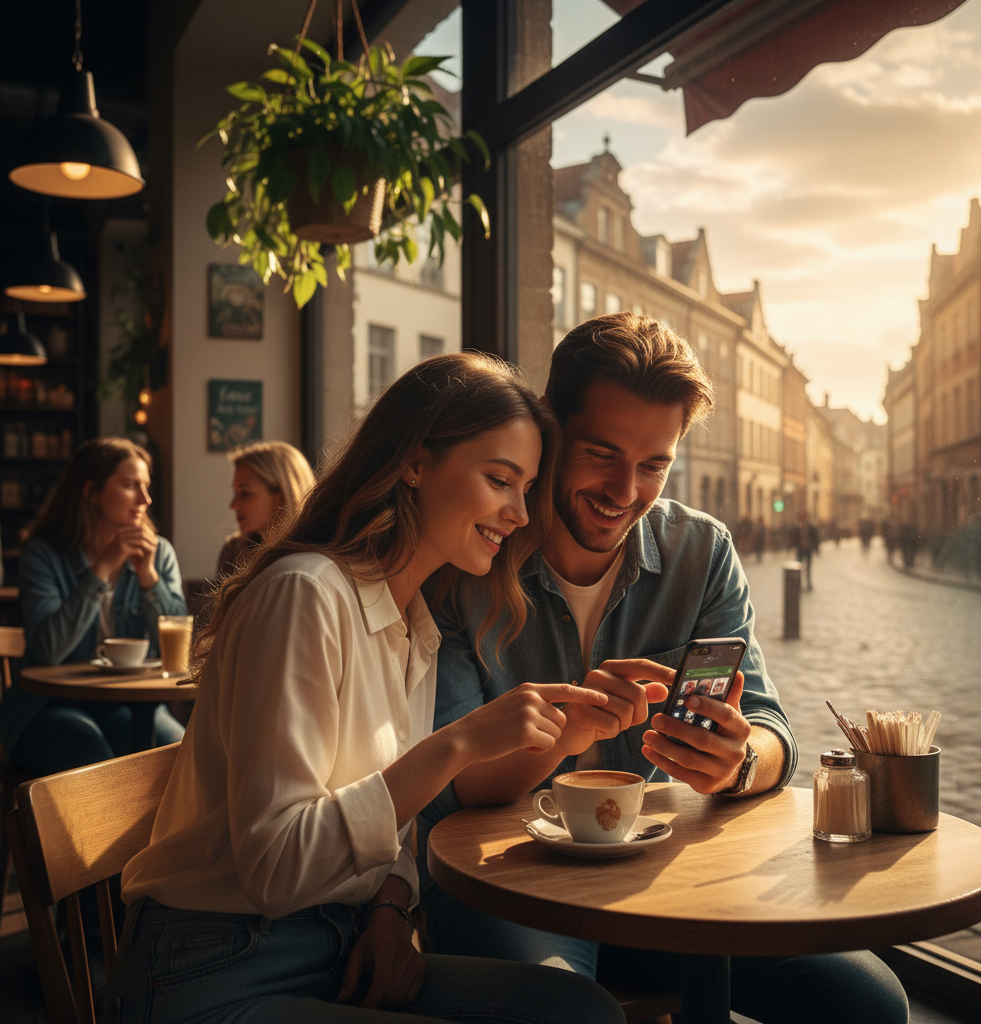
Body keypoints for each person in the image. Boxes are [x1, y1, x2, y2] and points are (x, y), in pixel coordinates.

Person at [104, 352, 627, 1024]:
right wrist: (457, 744)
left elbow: (388, 831)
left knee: (579, 1010)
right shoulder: (304, 595)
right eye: (500, 479)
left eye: (526, 489)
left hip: (340, 947)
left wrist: (389, 909)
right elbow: (277, 868)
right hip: (214, 968)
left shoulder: (414, 627)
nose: (520, 514)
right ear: (414, 463)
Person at [419, 314, 908, 1024]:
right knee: (566, 1010)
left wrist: (738, 762)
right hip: (506, 877)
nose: (625, 490)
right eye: (602, 454)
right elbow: (451, 782)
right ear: (550, 429)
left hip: (655, 872)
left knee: (868, 1002)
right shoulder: (474, 552)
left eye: (654, 465)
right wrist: (566, 732)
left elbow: (769, 726)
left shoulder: (700, 552)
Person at [0, 438, 187, 777]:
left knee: (184, 759)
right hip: (47, 706)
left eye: (146, 486)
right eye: (130, 485)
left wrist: (148, 577)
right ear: (91, 491)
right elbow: (49, 651)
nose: (145, 499)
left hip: (130, 705)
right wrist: (101, 570)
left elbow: (176, 650)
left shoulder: (158, 553)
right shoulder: (43, 554)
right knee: (95, 766)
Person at [217, 440, 316, 577]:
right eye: (235, 493)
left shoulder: (314, 557)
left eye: (245, 493)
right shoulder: (234, 551)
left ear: (282, 496)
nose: (233, 505)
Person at [795, 511, 820, 590]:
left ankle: (808, 584)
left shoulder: (811, 527)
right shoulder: (797, 527)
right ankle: (799, 584)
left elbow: (815, 538)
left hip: (808, 549)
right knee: (799, 568)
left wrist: (816, 548)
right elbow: (793, 537)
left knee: (808, 568)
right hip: (800, 550)